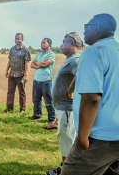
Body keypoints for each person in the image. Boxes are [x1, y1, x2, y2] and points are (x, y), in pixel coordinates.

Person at [62, 14, 119, 175]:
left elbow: (91, 99)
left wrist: (83, 138)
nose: (84, 31)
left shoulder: (93, 52)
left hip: (101, 138)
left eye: (87, 26)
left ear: (97, 28)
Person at [46, 32, 83, 175]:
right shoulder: (70, 59)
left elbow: (81, 74)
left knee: (68, 139)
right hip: (63, 108)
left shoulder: (76, 60)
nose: (61, 45)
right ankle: (66, 167)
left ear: (72, 43)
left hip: (68, 109)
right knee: (65, 138)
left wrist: (70, 90)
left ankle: (67, 170)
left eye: (64, 42)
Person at [30, 38, 57, 129]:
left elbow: (46, 64)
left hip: (46, 80)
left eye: (44, 43)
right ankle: (37, 115)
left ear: (49, 44)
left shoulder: (51, 54)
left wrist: (38, 64)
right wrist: (40, 64)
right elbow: (31, 65)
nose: (41, 44)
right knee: (36, 99)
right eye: (41, 42)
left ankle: (51, 118)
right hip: (37, 80)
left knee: (48, 100)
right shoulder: (39, 54)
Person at [4, 33, 31, 114]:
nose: (17, 40)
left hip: (21, 76)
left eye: (19, 39)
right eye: (16, 38)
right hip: (12, 75)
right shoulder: (12, 49)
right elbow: (10, 60)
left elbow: (27, 63)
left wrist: (26, 75)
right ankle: (9, 108)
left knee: (21, 92)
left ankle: (22, 109)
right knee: (10, 91)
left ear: (22, 39)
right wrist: (6, 70)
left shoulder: (25, 50)